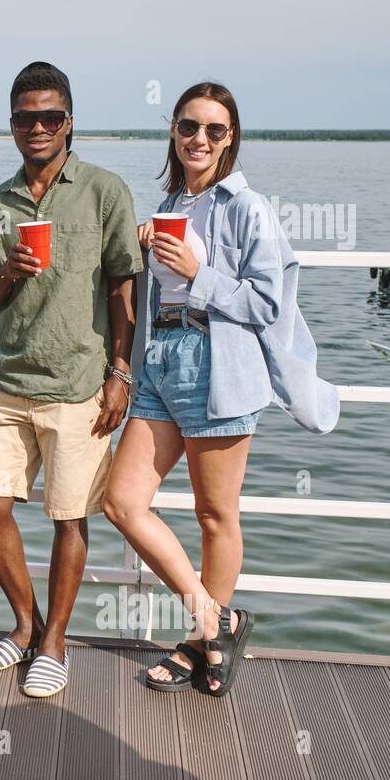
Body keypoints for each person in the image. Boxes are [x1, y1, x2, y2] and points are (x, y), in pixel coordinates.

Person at [102, 81, 339, 696]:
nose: (199, 139)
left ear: (229, 138)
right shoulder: (169, 205)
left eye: (213, 129)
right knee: (122, 502)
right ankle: (215, 620)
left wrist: (198, 275)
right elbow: (149, 291)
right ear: (174, 133)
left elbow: (269, 301)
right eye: (188, 127)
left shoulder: (246, 207)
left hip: (220, 361)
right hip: (162, 360)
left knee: (214, 513)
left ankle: (197, 637)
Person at [0, 61, 142, 697]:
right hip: (10, 383)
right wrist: (8, 269)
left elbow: (127, 283)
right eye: (24, 118)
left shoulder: (104, 191)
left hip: (80, 383)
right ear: (11, 125)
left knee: (70, 517)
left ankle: (55, 643)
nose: (37, 128)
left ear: (69, 122)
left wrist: (122, 372)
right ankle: (23, 628)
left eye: (50, 117)